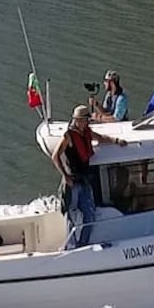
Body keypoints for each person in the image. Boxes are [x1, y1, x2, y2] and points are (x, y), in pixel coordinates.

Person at [57, 105, 129, 249]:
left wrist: (116, 141)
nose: (84, 123)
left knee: (89, 215)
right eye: (82, 120)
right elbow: (56, 155)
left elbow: (100, 138)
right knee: (72, 215)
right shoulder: (68, 136)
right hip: (73, 182)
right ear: (76, 120)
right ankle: (70, 247)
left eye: (85, 120)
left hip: (84, 181)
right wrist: (65, 176)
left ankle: (82, 244)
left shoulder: (87, 132)